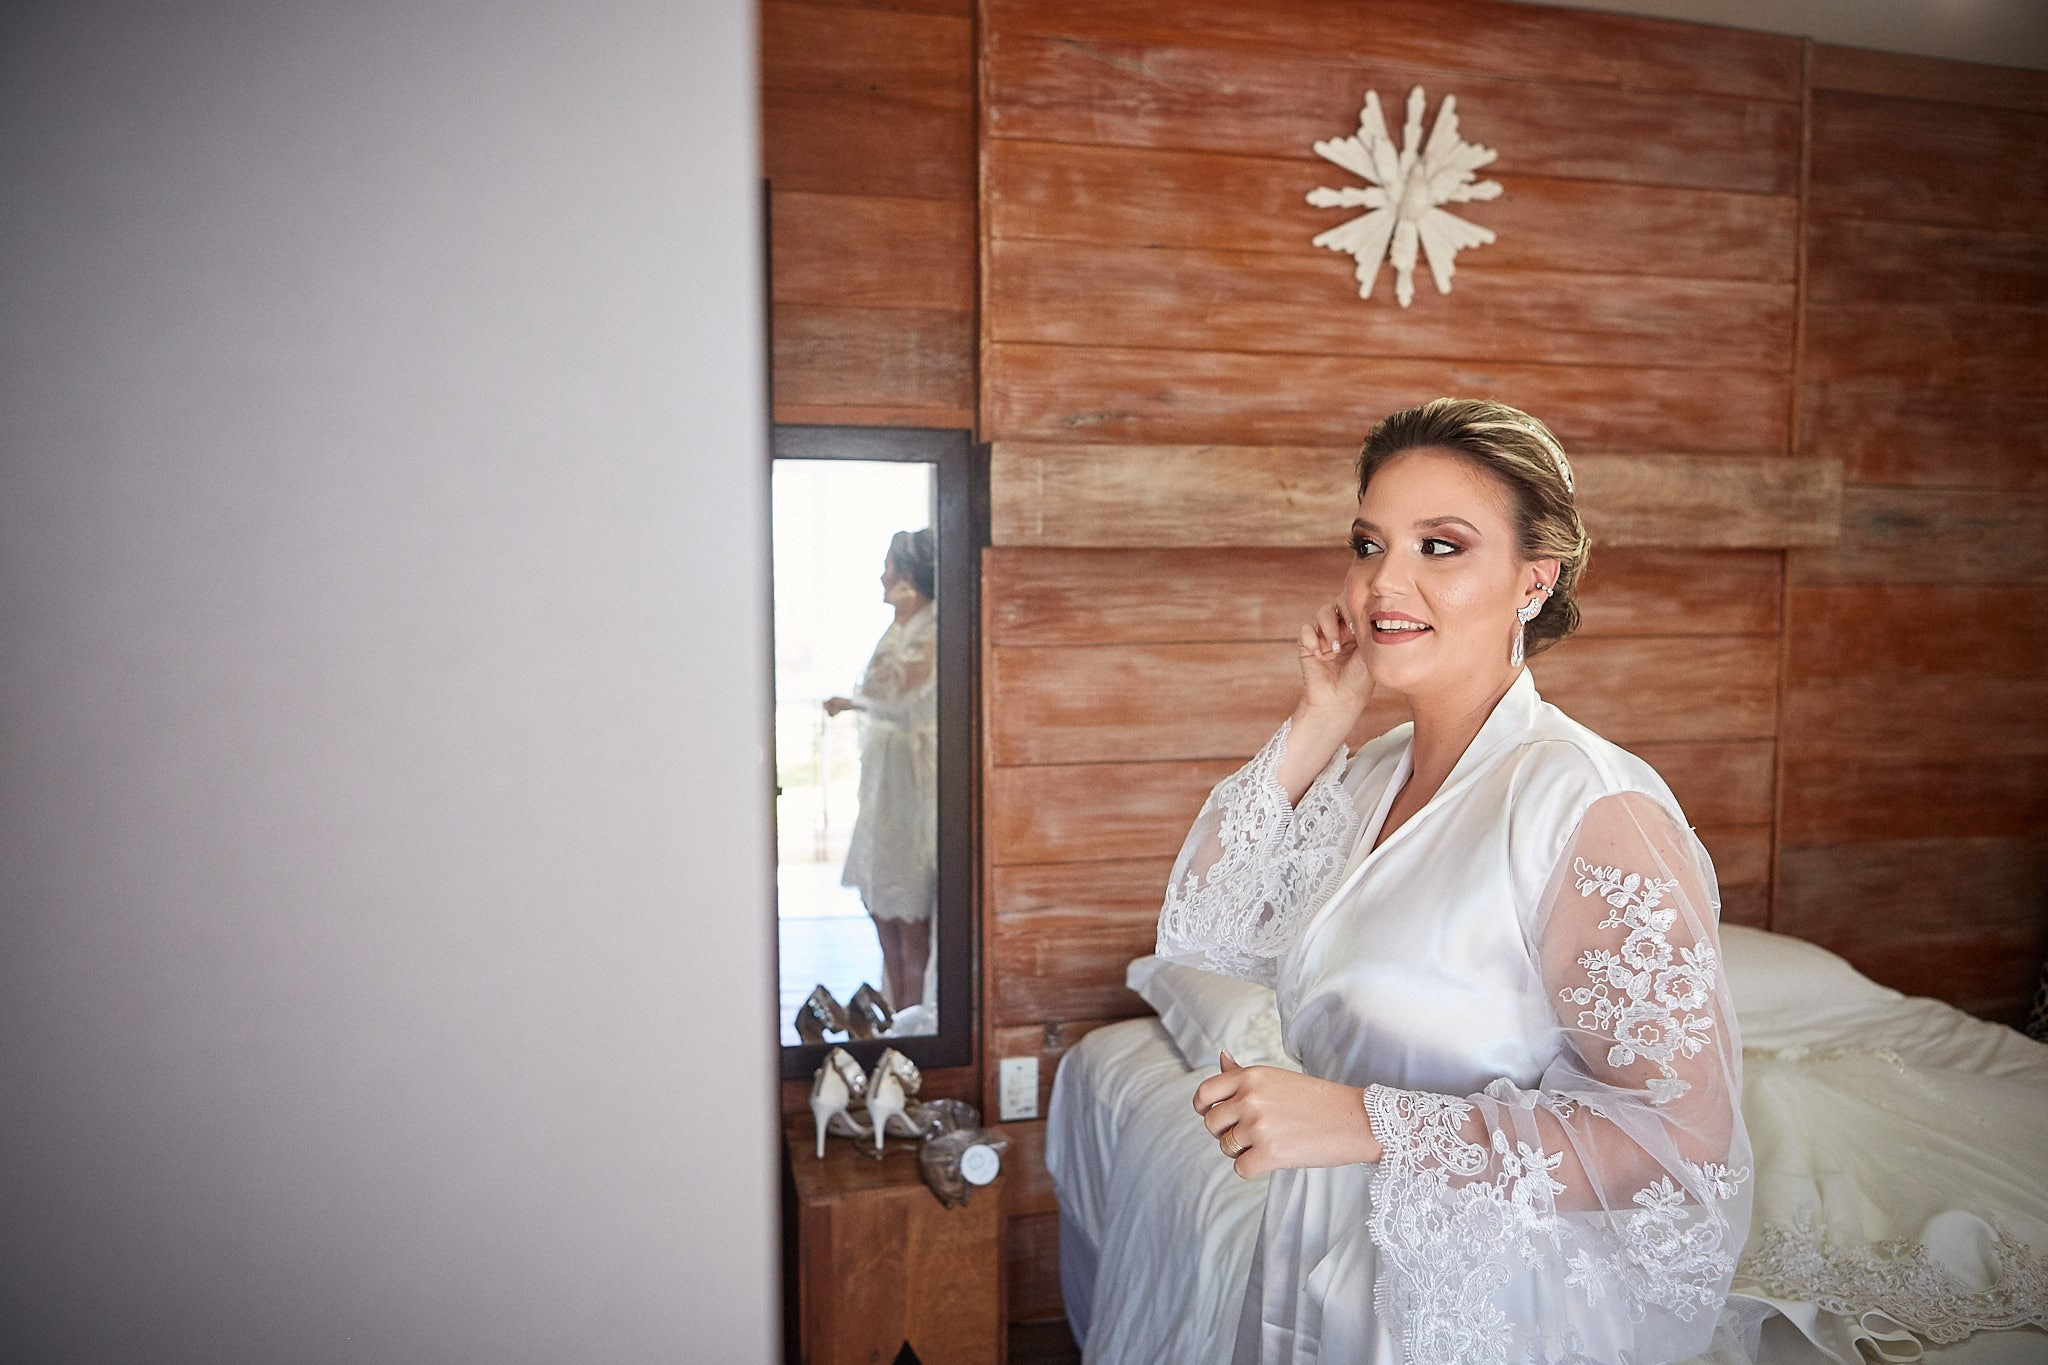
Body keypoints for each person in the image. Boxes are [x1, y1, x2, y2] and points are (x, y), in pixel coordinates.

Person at [1155, 399, 1753, 1365]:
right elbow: (1205, 928)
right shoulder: (1376, 770)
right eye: (1369, 542)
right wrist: (1320, 718)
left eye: (1440, 545)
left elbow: (1681, 1142)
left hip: (1483, 1313)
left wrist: (1355, 1120)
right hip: (1321, 1262)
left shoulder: (1588, 804)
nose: (1384, 579)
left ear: (1533, 581)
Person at [826, 528, 938, 1016]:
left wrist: (853, 702)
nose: (881, 574)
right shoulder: (900, 628)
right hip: (886, 778)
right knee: (881, 899)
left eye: (888, 565)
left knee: (908, 900)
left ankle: (912, 1016)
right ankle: (893, 1006)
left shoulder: (931, 627)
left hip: (913, 780)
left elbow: (894, 691)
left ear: (909, 575)